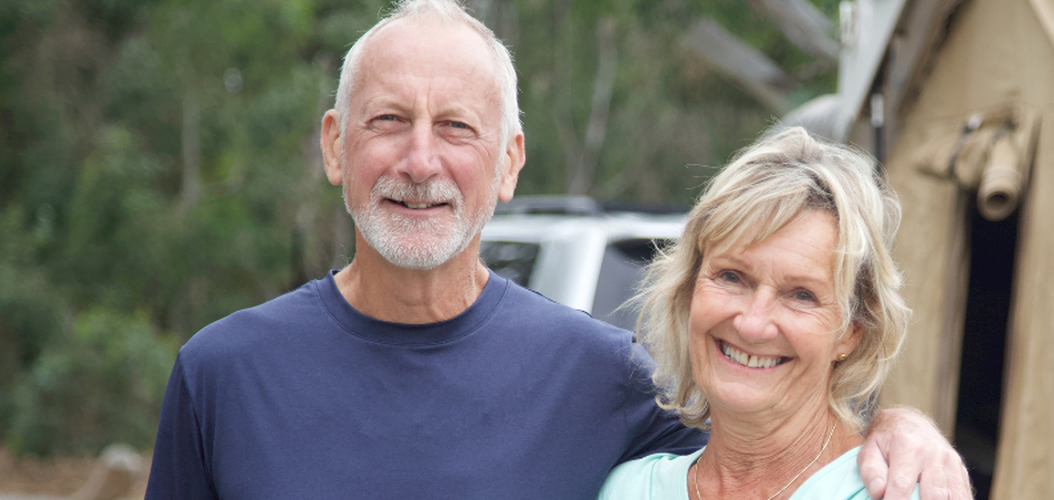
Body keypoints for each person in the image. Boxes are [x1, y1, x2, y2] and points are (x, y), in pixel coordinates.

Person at [144, 1, 970, 499]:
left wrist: (903, 430)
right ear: (334, 145)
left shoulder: (604, 379)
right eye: (388, 120)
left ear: (509, 162)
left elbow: (770, 430)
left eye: (458, 128)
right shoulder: (223, 374)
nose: (420, 161)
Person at [598, 127, 918, 500]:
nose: (752, 324)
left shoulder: (892, 493)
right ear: (689, 291)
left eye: (801, 295)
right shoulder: (626, 489)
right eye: (732, 277)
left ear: (852, 331)